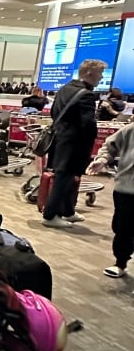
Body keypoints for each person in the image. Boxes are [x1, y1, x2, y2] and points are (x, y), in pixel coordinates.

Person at [42, 59, 105, 229]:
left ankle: (68, 211)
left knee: (67, 179)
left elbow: (55, 112)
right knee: (64, 178)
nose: (101, 77)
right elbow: (88, 125)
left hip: (60, 140)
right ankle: (50, 215)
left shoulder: (64, 89)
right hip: (74, 145)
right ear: (90, 73)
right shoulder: (87, 95)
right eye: (100, 74)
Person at [87, 122, 134, 277]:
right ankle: (120, 262)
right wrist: (102, 159)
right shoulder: (130, 129)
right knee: (122, 228)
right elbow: (110, 145)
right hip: (127, 188)